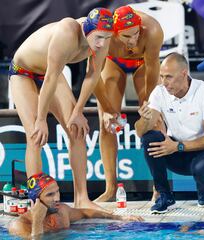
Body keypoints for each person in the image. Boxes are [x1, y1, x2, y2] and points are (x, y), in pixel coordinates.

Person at [9, 8, 116, 211]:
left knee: (77, 131)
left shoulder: (103, 35)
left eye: (107, 38)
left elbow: (92, 75)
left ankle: (82, 198)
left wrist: (78, 112)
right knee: (35, 135)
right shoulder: (68, 31)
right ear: (87, 29)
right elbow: (49, 78)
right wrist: (41, 119)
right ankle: (37, 203)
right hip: (24, 72)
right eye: (99, 37)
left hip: (53, 75)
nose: (102, 43)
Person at [134, 52, 204, 213]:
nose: (164, 82)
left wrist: (177, 146)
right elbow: (141, 132)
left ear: (184, 73)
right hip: (175, 152)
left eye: (168, 77)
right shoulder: (159, 92)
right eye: (161, 77)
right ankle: (164, 195)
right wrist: (145, 119)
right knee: (150, 138)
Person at [95, 5, 164, 202]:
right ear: (114, 33)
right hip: (113, 61)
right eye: (126, 37)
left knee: (154, 120)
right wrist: (107, 110)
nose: (133, 40)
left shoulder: (152, 31)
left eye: (136, 34)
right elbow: (92, 78)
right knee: (106, 123)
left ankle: (158, 188)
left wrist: (149, 103)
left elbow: (152, 71)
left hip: (143, 63)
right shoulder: (103, 36)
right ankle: (110, 189)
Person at [7, 172, 143, 239]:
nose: (57, 198)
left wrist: (119, 218)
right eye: (50, 195)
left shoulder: (62, 210)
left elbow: (86, 213)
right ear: (36, 199)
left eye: (57, 191)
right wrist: (37, 222)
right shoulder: (19, 225)